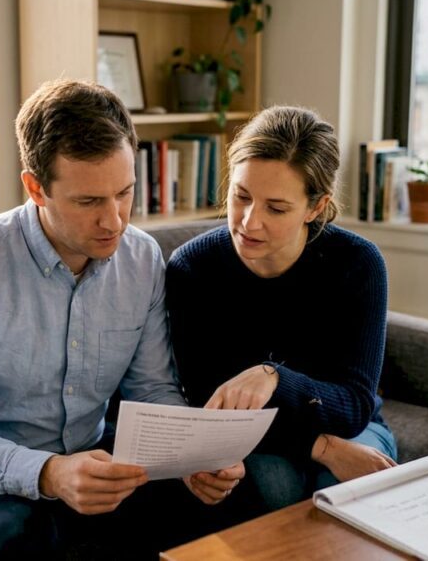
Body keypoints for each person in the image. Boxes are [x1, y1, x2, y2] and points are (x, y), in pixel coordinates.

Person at [0, 79, 242, 560]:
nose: (115, 221)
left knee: (219, 506)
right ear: (35, 188)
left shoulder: (142, 259)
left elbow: (152, 390)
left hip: (93, 453)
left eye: (124, 193)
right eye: (88, 202)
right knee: (15, 536)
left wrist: (190, 457)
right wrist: (49, 473)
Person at [166, 106, 398, 516]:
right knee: (276, 487)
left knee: (350, 494)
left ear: (315, 207)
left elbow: (354, 406)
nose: (249, 222)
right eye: (241, 196)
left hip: (349, 426)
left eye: (275, 208)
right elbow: (210, 403)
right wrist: (321, 447)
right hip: (249, 436)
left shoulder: (358, 264)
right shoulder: (193, 268)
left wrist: (273, 377)